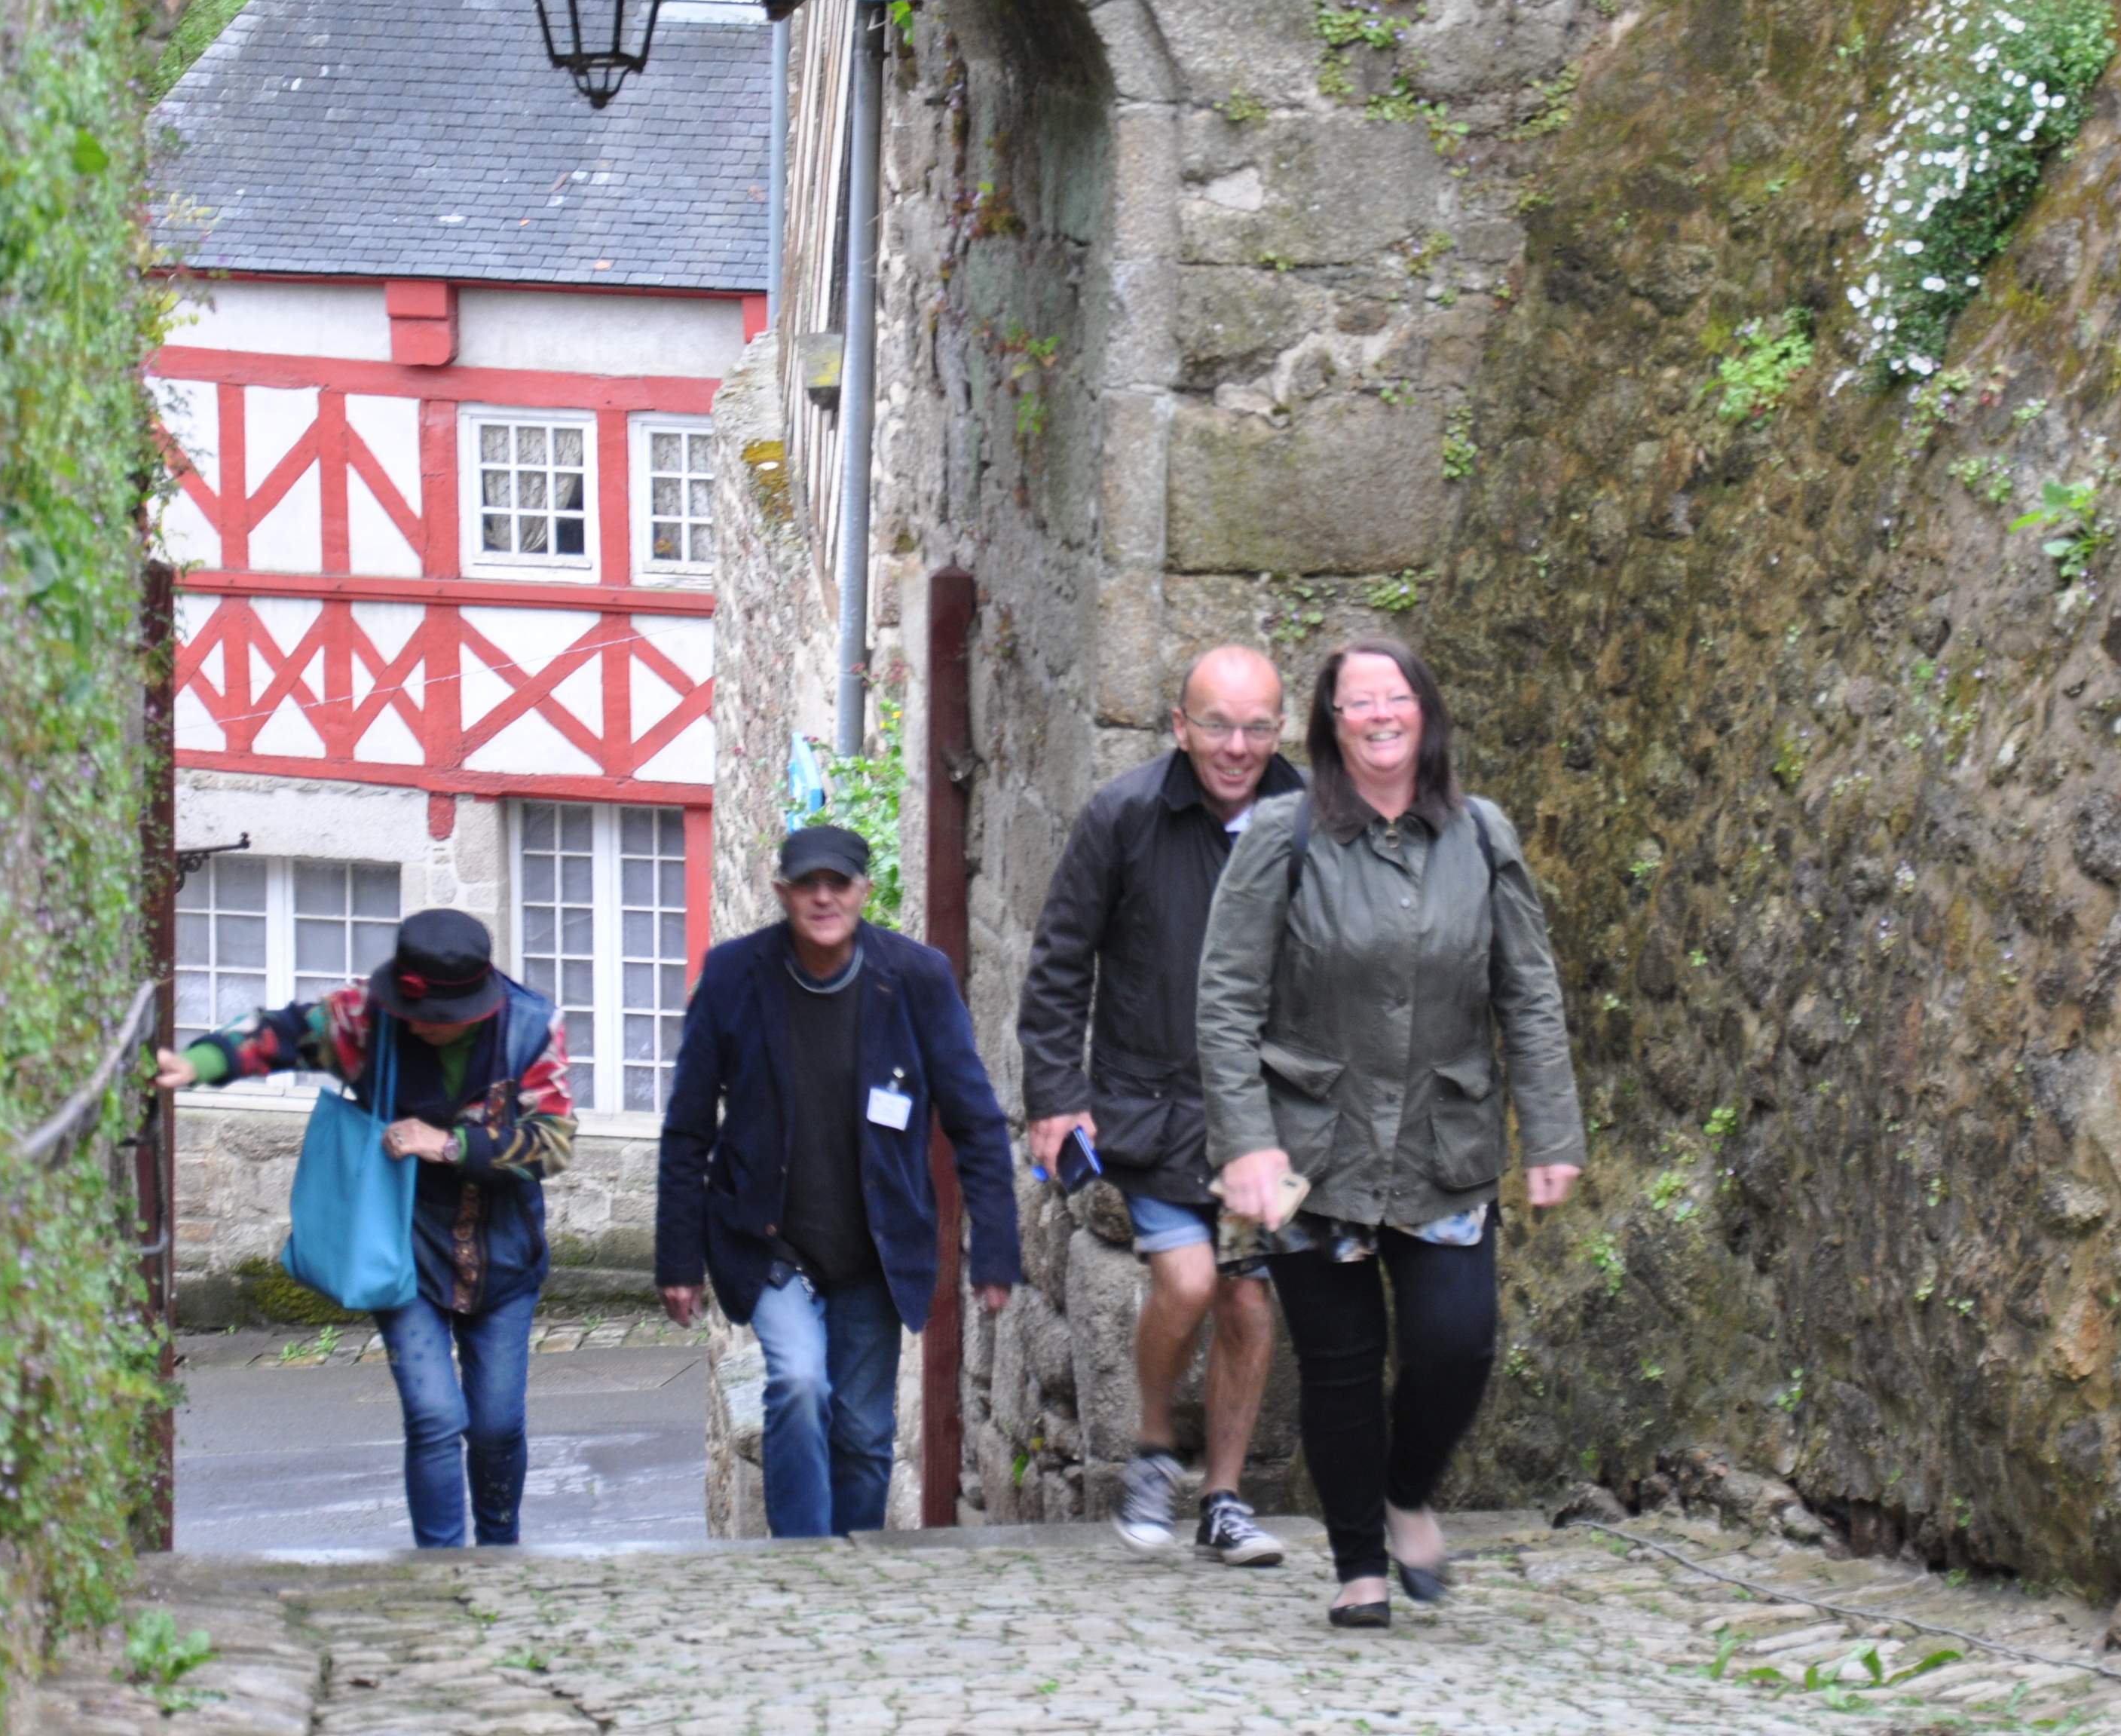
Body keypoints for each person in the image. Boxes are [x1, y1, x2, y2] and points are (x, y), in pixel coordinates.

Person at [1195, 637, 1584, 1628]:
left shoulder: (1482, 836)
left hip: (1442, 1144)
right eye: (1356, 701)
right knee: (1338, 1366)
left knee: (1458, 1344)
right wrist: (1245, 1142)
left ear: (1425, 712)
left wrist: (1551, 1134)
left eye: (1394, 697)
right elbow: (1226, 997)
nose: (1378, 715)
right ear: (1331, 725)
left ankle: (1407, 1492)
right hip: (1304, 1149)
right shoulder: (1280, 836)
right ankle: (1360, 1567)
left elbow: (1528, 993)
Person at [153, 905, 575, 1549]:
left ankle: (499, 1554)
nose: (419, 1024)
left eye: (435, 1015)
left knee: (496, 1426)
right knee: (435, 1416)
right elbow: (282, 1034)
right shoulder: (368, 1019)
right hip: (397, 1253)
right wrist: (200, 1063)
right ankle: (441, 1573)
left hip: (505, 1258)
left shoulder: (531, 1027)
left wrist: (448, 1144)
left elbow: (552, 1143)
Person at [656, 823, 1024, 1538]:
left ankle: (856, 1568)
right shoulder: (733, 977)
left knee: (863, 1434)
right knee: (798, 1383)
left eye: (838, 883)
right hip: (769, 1240)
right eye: (807, 884)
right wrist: (678, 1260)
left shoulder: (915, 979)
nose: (823, 898)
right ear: (782, 892)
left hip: (874, 1247)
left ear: (863, 890)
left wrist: (996, 1250)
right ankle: (803, 1563)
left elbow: (976, 1122)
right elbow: (688, 1129)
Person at [1019, 644, 1302, 1565]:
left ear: (1281, 728)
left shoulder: (1310, 823)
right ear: (1181, 727)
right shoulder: (1124, 815)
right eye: (1217, 724)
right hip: (1150, 1108)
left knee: (1246, 1298)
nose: (1236, 746)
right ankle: (1151, 1445)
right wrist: (1058, 1095)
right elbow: (1060, 962)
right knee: (1185, 1282)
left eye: (1256, 726)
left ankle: (1223, 1499)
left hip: (1261, 1119)